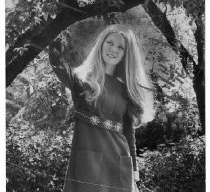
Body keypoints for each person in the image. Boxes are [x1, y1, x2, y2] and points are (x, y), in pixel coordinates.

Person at [49, 24, 154, 192]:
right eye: (110, 43)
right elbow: (56, 62)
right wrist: (59, 29)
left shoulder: (126, 90)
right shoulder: (81, 81)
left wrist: (134, 167)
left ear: (126, 55)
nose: (114, 49)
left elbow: (128, 132)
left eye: (121, 47)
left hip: (119, 157)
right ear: (101, 44)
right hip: (88, 160)